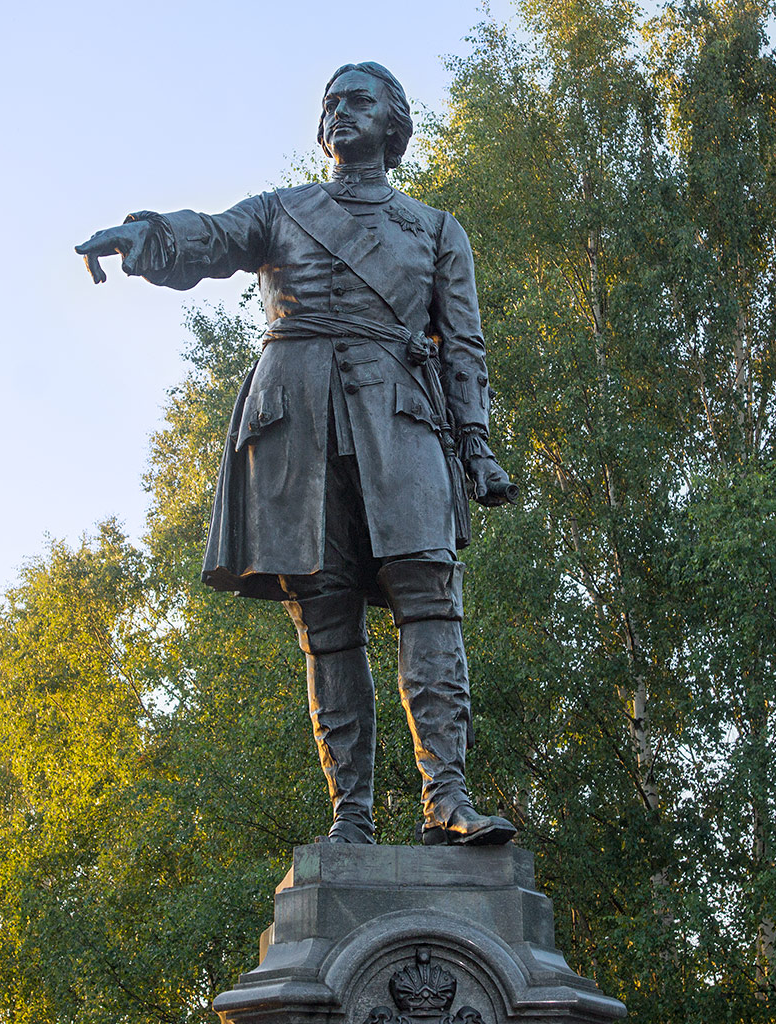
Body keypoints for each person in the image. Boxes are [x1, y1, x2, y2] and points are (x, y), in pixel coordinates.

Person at [76, 62, 516, 846]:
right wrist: (148, 234)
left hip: (401, 417)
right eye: (330, 103)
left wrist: (476, 443)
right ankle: (352, 817)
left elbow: (464, 345)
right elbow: (210, 236)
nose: (341, 112)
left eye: (359, 100)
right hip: (296, 425)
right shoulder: (282, 212)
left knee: (430, 595)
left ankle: (447, 800)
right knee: (326, 615)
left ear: (393, 123)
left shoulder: (437, 230)